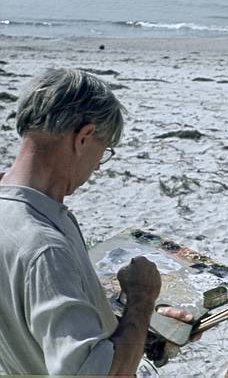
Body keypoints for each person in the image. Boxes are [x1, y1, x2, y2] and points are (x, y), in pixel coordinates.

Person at [0, 68, 192, 375]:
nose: (98, 168)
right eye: (104, 152)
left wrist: (144, 330)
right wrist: (142, 299)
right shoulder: (45, 248)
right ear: (84, 137)